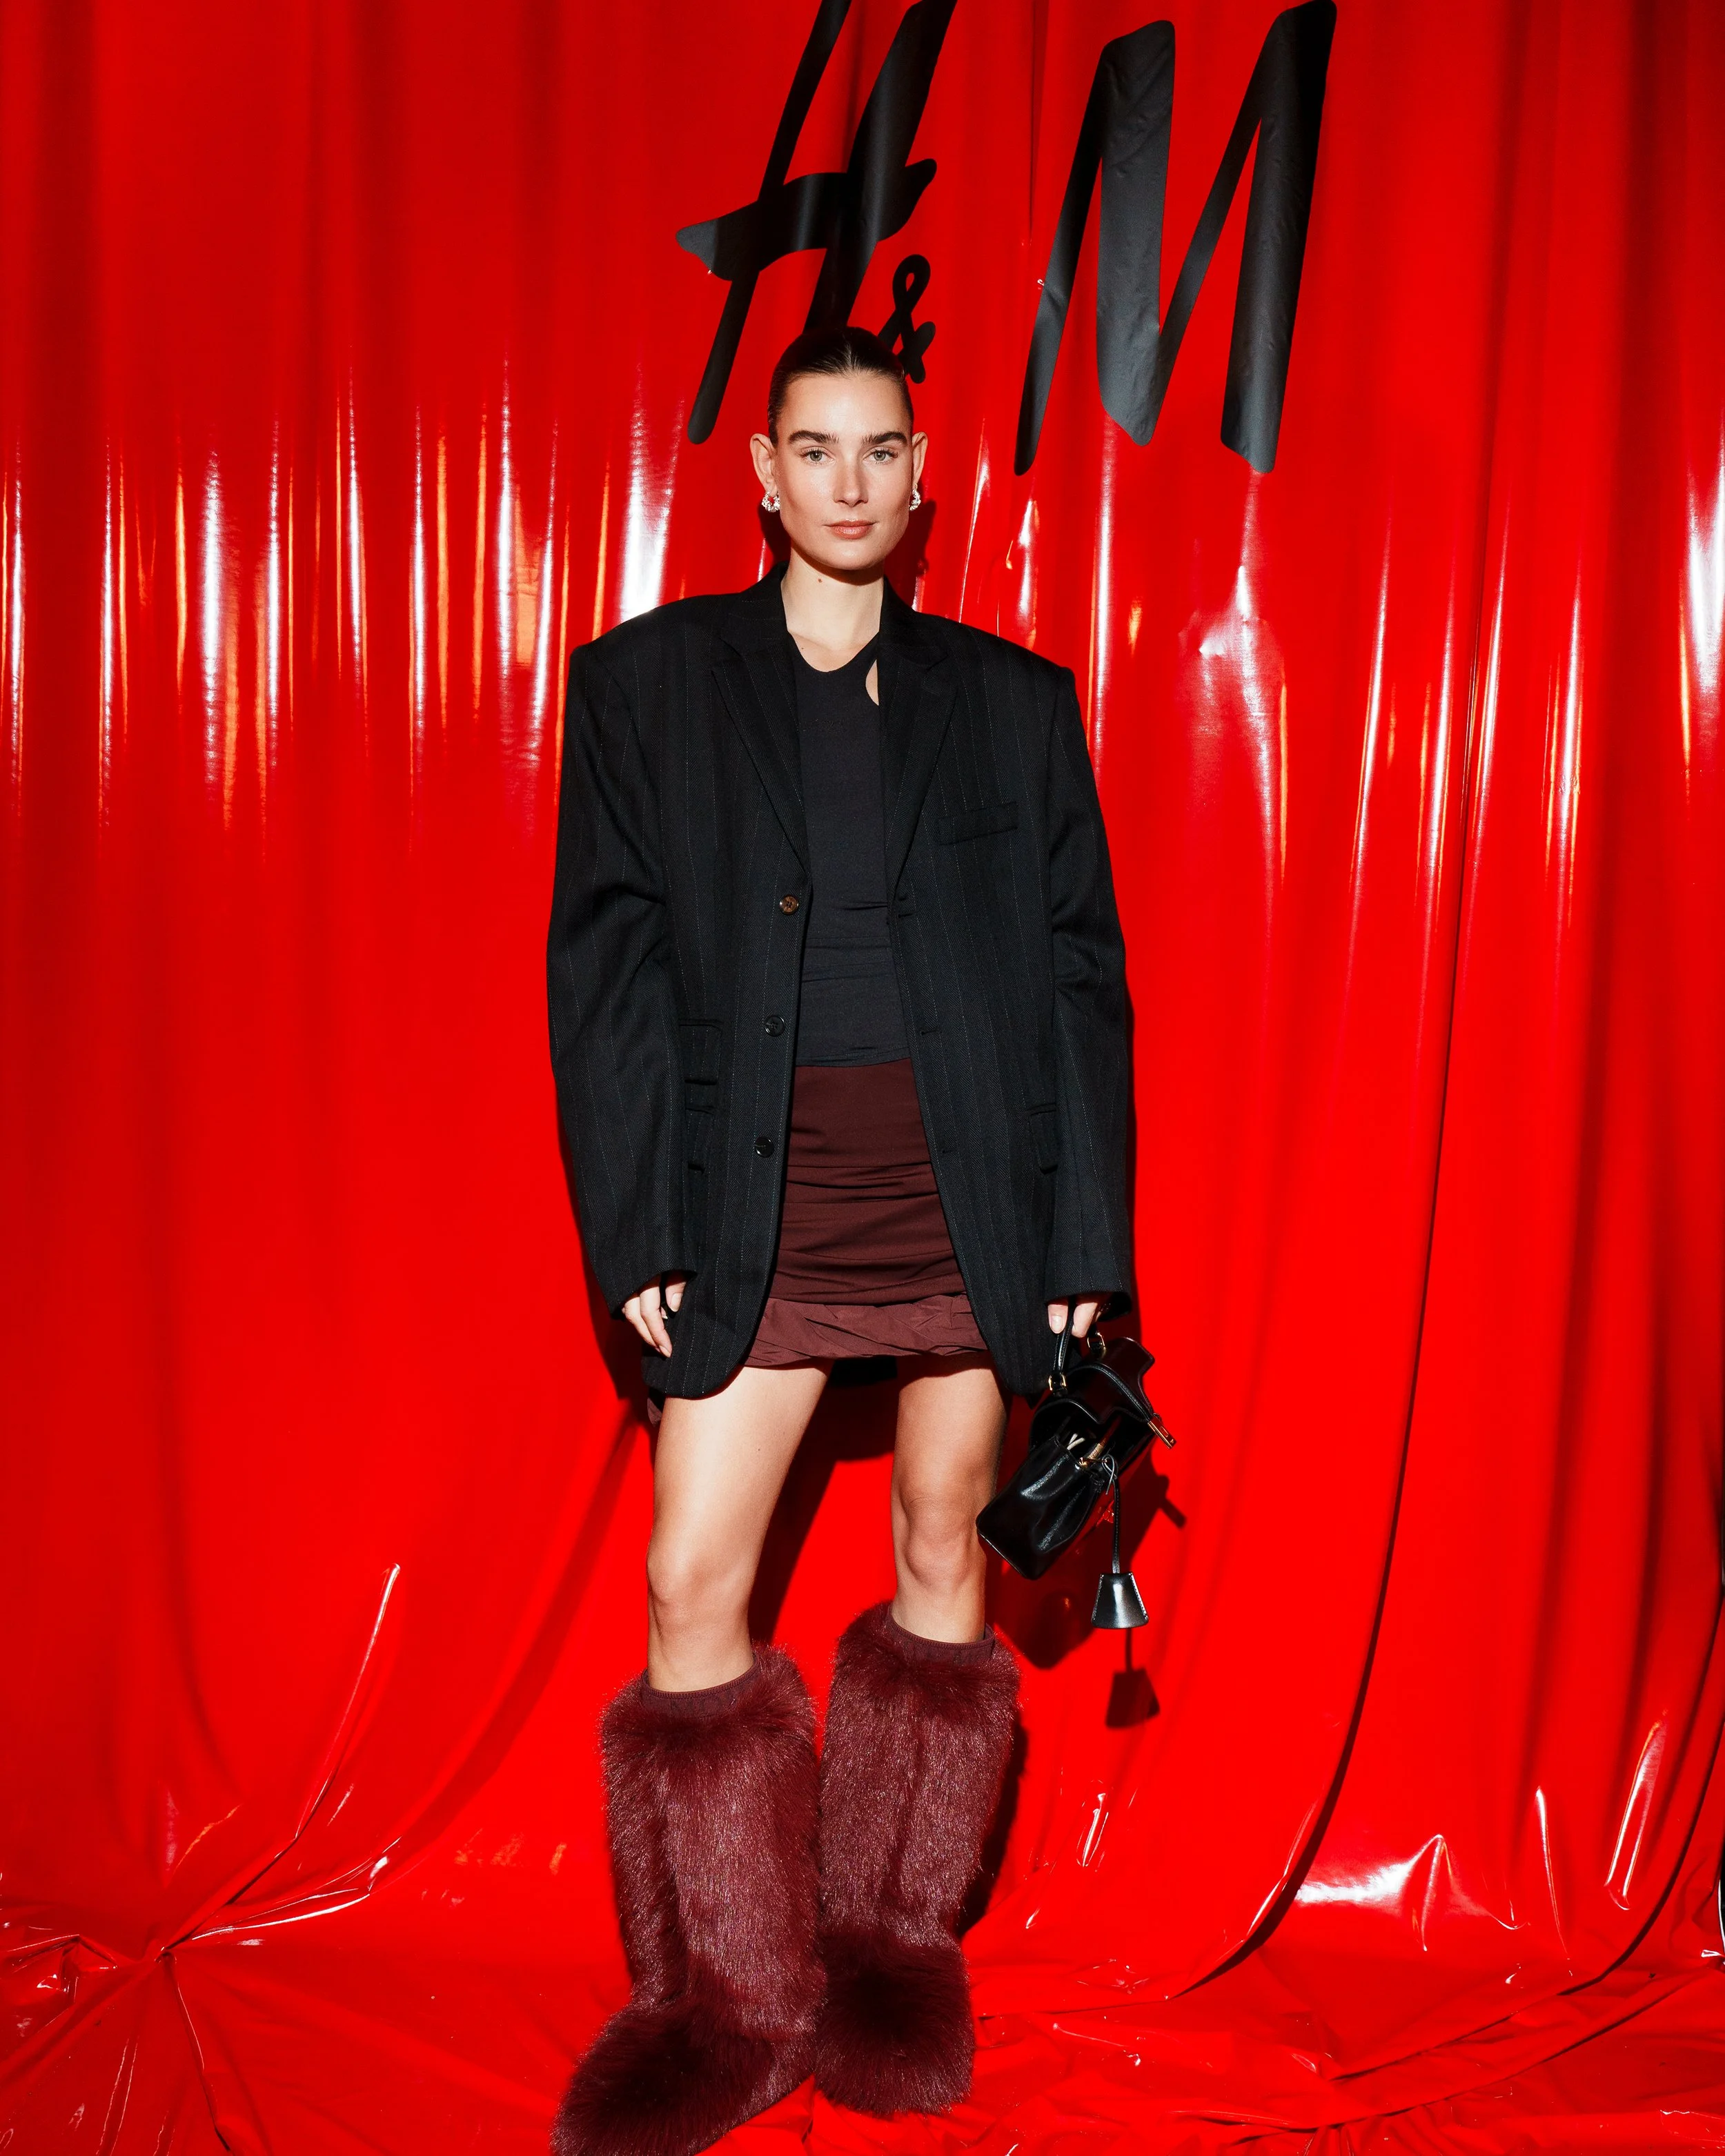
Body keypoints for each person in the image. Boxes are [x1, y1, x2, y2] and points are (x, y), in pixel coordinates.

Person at [546, 324, 1133, 2156]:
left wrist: (1079, 1232)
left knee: (944, 1537)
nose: (851, 482)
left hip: (967, 1175)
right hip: (752, 1180)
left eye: (882, 449)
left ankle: (888, 1952)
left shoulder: (1013, 702)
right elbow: (603, 975)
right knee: (687, 1582)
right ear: (765, 475)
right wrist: (638, 1216)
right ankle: (730, 1996)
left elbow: (1079, 982)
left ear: (922, 473)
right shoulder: (646, 686)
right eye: (816, 449)